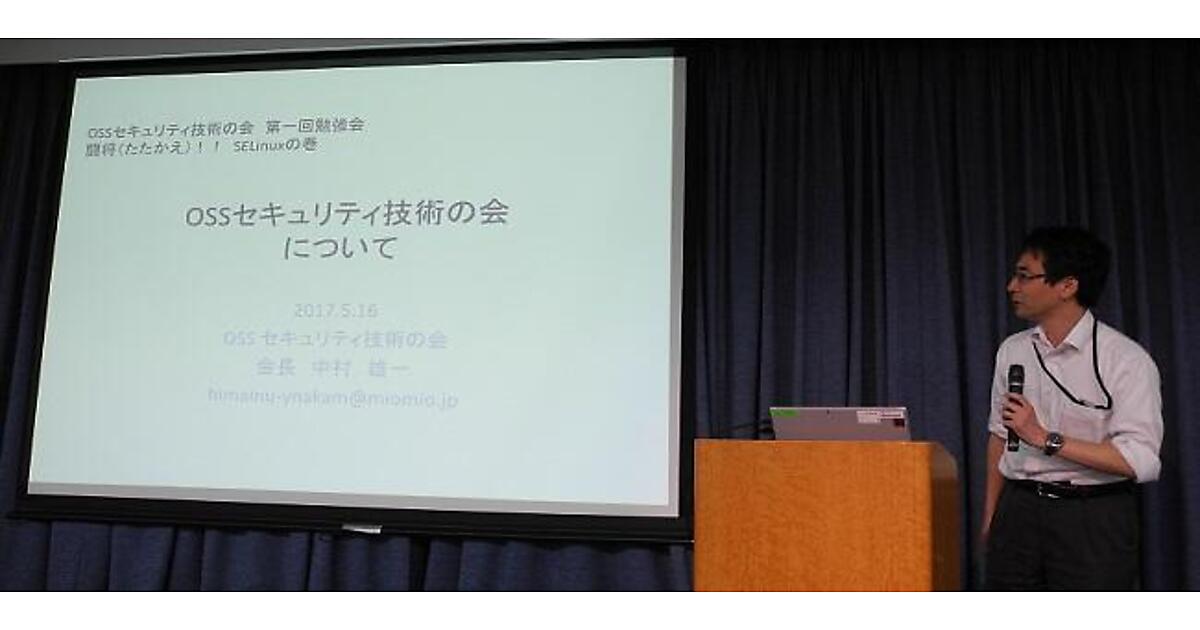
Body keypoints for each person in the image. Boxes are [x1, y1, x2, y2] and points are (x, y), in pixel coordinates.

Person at [982, 226, 1163, 590]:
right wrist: (992, 516)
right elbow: (999, 437)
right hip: (1019, 510)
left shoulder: (1126, 359)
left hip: (1091, 516)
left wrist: (1045, 438)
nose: (1012, 287)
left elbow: (1141, 459)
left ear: (1067, 286)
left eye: (1024, 276)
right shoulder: (1013, 350)